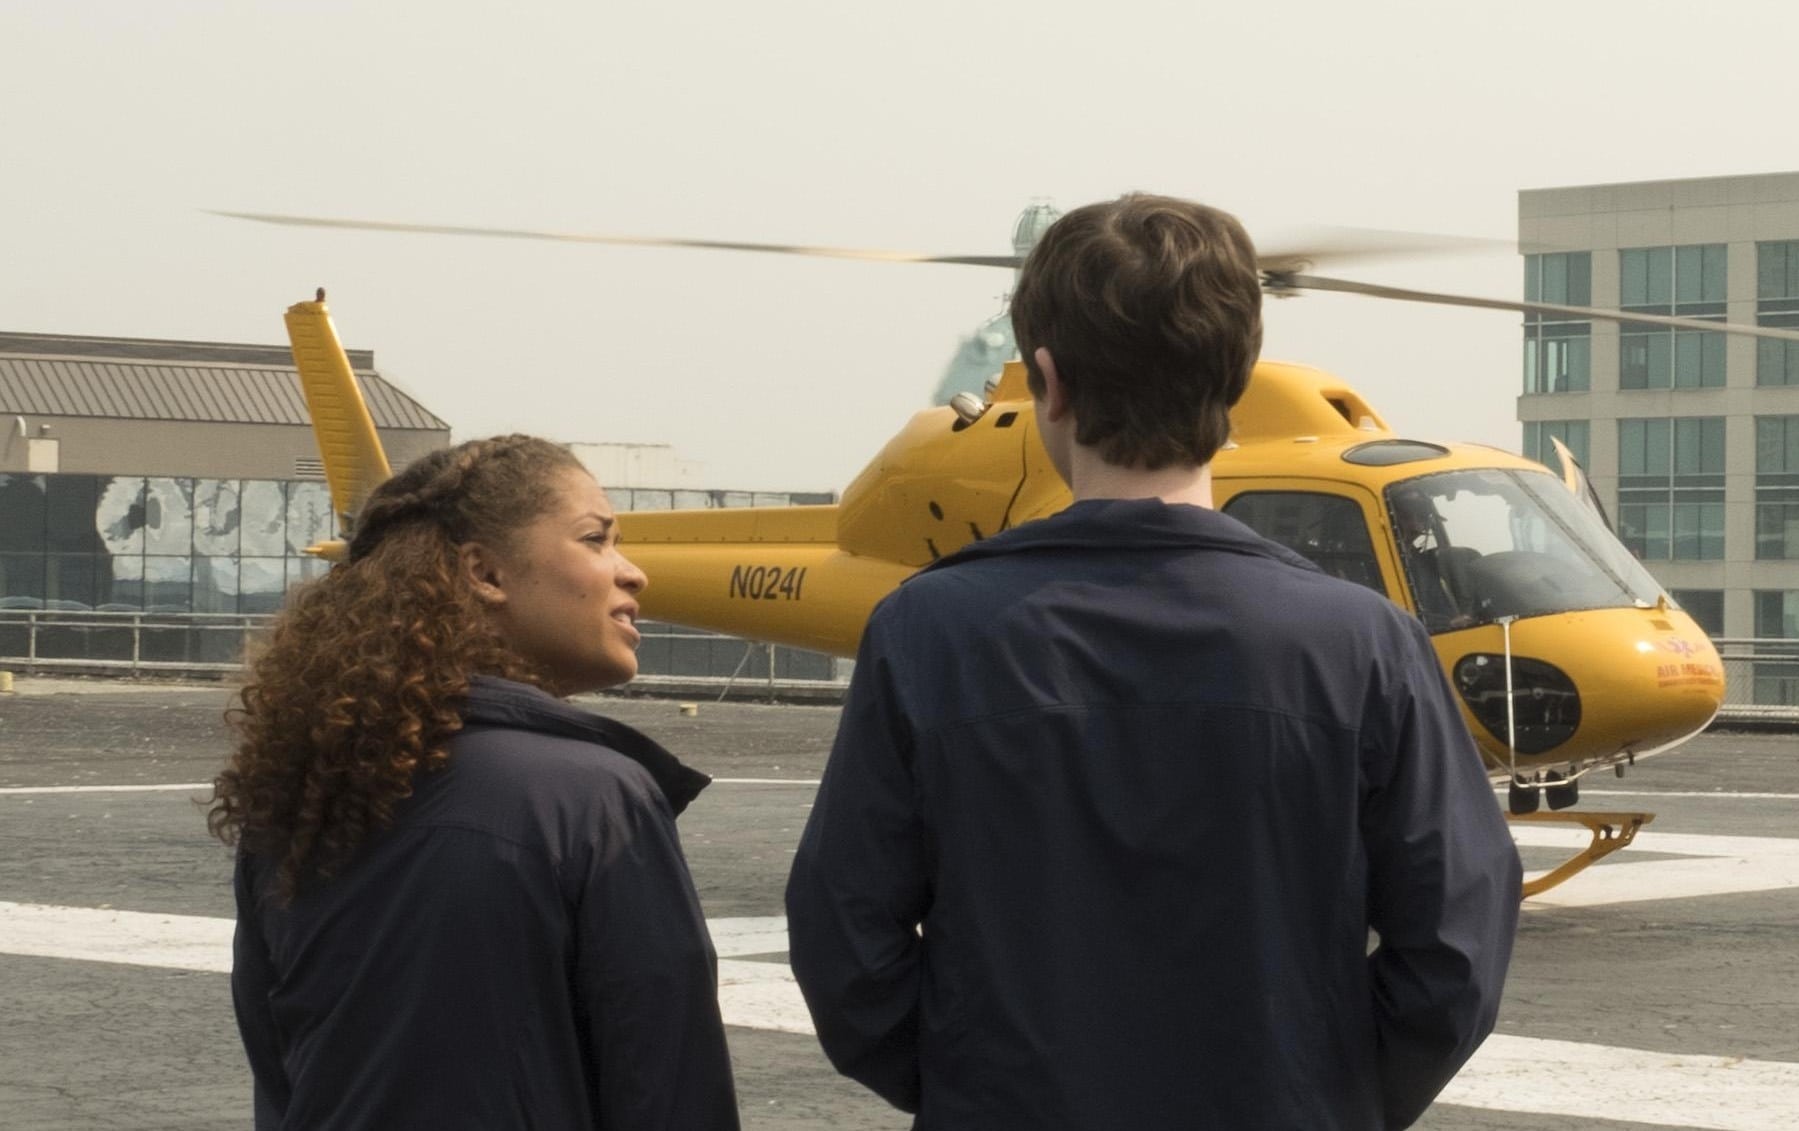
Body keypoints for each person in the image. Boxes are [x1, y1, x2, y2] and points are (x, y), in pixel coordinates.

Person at [786, 194, 1522, 1130]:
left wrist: (969, 1081)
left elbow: (845, 938)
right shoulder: (1366, 642)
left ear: (1048, 380)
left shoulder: (925, 631)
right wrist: (1330, 1093)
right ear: (1237, 378)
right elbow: (1455, 946)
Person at [207, 436, 740, 1130]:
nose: (632, 573)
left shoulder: (301, 793)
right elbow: (670, 1091)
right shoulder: (596, 798)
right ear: (485, 572)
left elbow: (279, 1073)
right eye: (597, 539)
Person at [1391, 489, 1477, 631]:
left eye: (1421, 516)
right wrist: (1446, 624)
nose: (1415, 525)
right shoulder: (1378, 568)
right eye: (1406, 516)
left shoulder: (1428, 563)